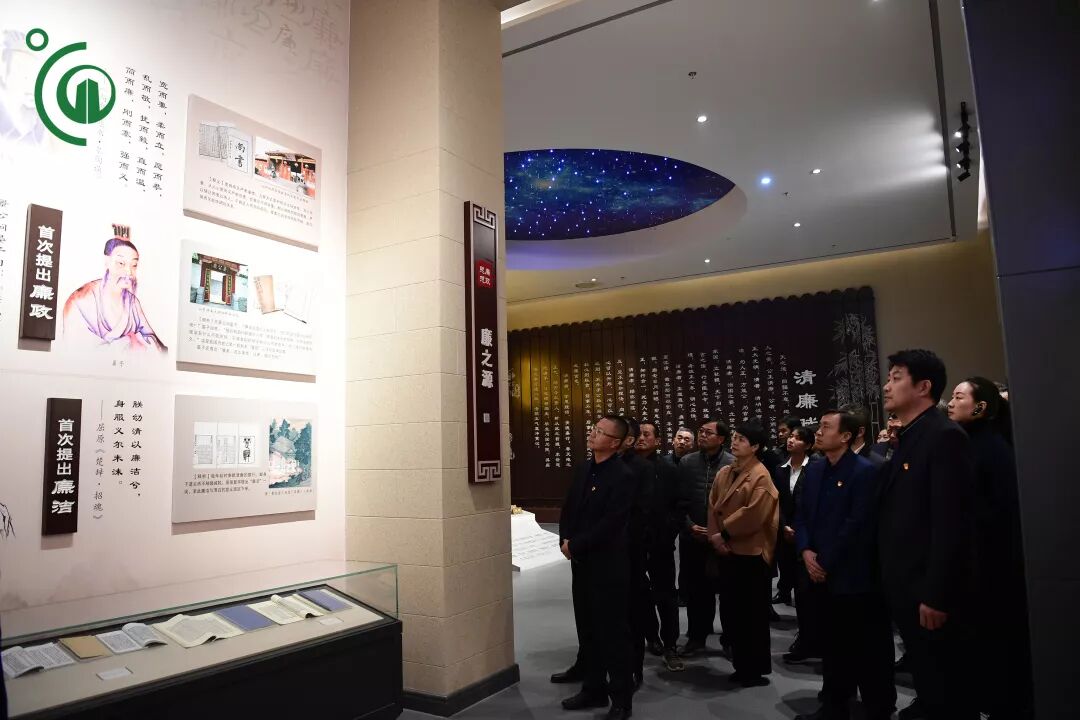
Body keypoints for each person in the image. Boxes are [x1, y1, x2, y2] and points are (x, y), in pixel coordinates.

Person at [878, 349, 977, 720]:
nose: (887, 386)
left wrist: (936, 593)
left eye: (896, 378)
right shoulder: (910, 435)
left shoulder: (943, 436)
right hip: (906, 581)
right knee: (927, 672)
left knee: (946, 679)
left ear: (923, 387)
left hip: (928, 588)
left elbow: (951, 523)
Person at [793, 410, 896, 720]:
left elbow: (857, 524)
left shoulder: (866, 471)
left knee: (866, 646)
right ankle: (834, 704)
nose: (818, 432)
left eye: (826, 427)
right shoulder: (815, 469)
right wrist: (806, 551)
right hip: (818, 569)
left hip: (853, 574)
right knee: (832, 644)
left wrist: (824, 560)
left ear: (846, 436)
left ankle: (877, 707)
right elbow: (801, 514)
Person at [947, 377, 1032, 719]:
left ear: (980, 407)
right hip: (978, 561)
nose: (951, 403)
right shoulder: (970, 443)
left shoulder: (991, 448)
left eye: (958, 397)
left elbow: (995, 512)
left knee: (997, 640)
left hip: (992, 564)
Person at [556, 415, 636, 720]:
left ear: (614, 443)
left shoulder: (623, 475)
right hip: (582, 563)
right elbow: (569, 508)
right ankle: (593, 689)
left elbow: (612, 523)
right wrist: (564, 539)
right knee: (587, 628)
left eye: (600, 431)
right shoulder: (584, 468)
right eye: (593, 428)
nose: (592, 434)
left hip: (608, 565)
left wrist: (576, 544)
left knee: (612, 634)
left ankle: (621, 700)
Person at [706, 418, 779, 687]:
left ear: (756, 446)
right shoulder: (726, 471)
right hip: (727, 550)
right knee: (732, 610)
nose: (735, 443)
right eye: (735, 438)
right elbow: (713, 505)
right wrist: (716, 537)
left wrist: (724, 534)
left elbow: (755, 514)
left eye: (742, 439)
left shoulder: (761, 474)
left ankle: (753, 669)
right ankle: (740, 663)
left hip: (750, 552)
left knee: (752, 615)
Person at [677, 419, 735, 656]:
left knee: (728, 592)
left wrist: (720, 532)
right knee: (697, 591)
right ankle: (696, 637)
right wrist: (690, 526)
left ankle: (730, 640)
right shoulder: (687, 462)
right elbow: (678, 501)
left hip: (724, 538)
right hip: (693, 536)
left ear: (721, 439)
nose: (701, 435)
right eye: (700, 432)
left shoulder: (732, 463)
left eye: (707, 433)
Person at [636, 421, 685, 672]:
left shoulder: (668, 469)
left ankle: (670, 644)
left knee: (666, 595)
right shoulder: (626, 467)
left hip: (661, 543)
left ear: (657, 441)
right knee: (639, 593)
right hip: (633, 544)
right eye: (638, 434)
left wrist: (669, 530)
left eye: (647, 434)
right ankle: (650, 636)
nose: (641, 438)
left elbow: (680, 504)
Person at [63, 232, 167, 352]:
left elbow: (156, 344)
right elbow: (75, 348)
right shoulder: (80, 300)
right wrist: (130, 342)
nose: (129, 272)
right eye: (121, 263)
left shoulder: (132, 302)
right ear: (107, 261)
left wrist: (138, 342)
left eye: (134, 265)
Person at [619, 418, 656, 689]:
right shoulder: (596, 465)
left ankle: (633, 668)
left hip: (629, 552)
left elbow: (642, 513)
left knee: (632, 612)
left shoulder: (642, 469)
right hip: (600, 553)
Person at [773, 426, 814, 606]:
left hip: (805, 528)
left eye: (797, 438)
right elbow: (777, 500)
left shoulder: (814, 467)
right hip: (784, 527)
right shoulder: (780, 469)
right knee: (785, 565)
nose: (791, 440)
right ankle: (784, 592)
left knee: (803, 578)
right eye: (790, 436)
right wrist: (783, 525)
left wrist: (797, 527)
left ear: (808, 445)